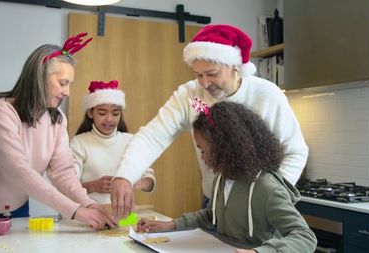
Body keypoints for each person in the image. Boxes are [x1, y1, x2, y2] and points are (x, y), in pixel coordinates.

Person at [111, 24, 309, 218]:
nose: (205, 83)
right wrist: (124, 175)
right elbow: (153, 136)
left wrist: (269, 197)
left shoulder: (268, 95)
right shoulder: (190, 96)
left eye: (212, 74)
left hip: (260, 206)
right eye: (199, 75)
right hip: (214, 203)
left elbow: (295, 151)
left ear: (234, 66)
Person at [0, 33, 115, 253]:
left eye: (69, 84)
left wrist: (89, 204)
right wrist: (75, 211)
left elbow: (63, 173)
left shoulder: (57, 120)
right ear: (39, 76)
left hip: (16, 210)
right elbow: (19, 173)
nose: (67, 92)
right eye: (62, 83)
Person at [136, 100, 317, 253]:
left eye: (203, 149)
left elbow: (305, 236)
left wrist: (258, 252)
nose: (202, 156)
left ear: (226, 147)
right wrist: (171, 225)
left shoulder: (266, 188)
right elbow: (211, 215)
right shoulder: (222, 179)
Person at [71, 80, 155, 204]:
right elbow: (67, 187)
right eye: (102, 113)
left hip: (124, 215)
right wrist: (92, 186)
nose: (109, 119)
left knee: (142, 222)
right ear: (90, 113)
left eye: (116, 113)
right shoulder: (79, 143)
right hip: (89, 215)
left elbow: (150, 179)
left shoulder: (130, 140)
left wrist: (137, 183)